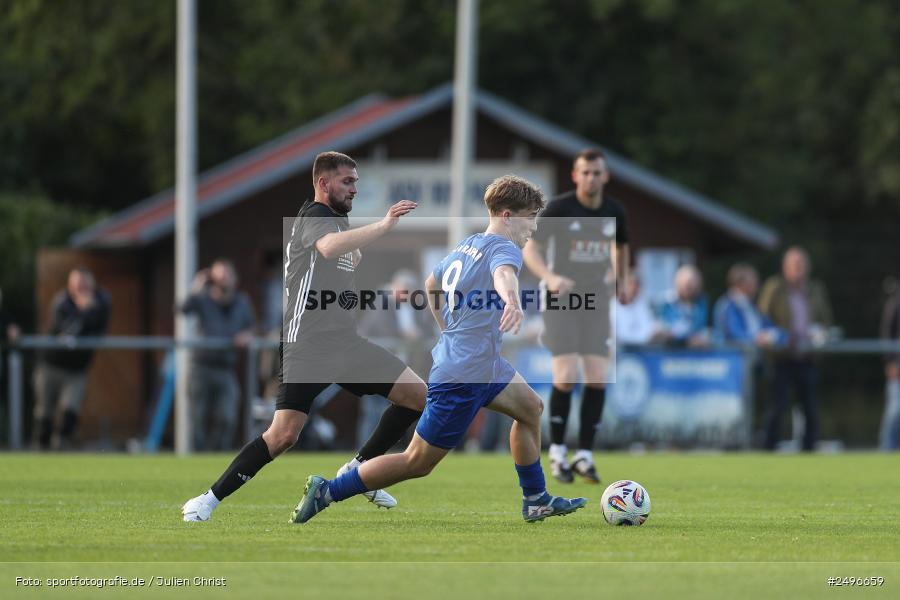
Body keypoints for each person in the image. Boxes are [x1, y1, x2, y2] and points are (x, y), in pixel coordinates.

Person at [292, 175, 587, 524]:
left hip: (484, 364)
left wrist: (444, 324)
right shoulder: (504, 248)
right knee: (417, 462)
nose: (533, 227)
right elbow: (503, 276)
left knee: (531, 409)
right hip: (464, 373)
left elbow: (431, 283)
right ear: (507, 215)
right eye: (530, 217)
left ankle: (536, 500)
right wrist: (512, 302)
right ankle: (329, 490)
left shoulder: (468, 245)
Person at [181, 151, 426, 521]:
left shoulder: (336, 223)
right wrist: (385, 224)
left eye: (356, 182)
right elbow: (328, 248)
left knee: (418, 396)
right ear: (323, 184)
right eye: (348, 181)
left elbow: (344, 255)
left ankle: (358, 469)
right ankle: (207, 500)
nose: (354, 189)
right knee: (283, 435)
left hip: (345, 342)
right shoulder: (315, 215)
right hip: (307, 345)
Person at [522, 148, 630, 485]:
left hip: (596, 300)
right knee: (566, 374)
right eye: (585, 172)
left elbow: (621, 247)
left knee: (597, 376)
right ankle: (557, 452)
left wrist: (620, 280)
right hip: (563, 299)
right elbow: (530, 247)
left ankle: (584, 454)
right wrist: (549, 277)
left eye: (597, 173)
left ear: (605, 176)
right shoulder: (560, 207)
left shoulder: (615, 211)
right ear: (575, 175)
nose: (591, 178)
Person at [758, 246, 833, 451]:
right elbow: (762, 319)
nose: (799, 269)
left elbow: (825, 320)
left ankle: (809, 448)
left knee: (809, 406)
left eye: (802, 264)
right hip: (780, 356)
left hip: (806, 356)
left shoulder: (815, 289)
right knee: (777, 406)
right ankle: (768, 448)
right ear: (786, 267)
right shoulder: (774, 287)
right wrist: (781, 336)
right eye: (795, 264)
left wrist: (818, 332)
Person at [181, 259, 257, 451]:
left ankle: (218, 457)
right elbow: (183, 309)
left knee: (227, 416)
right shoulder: (202, 298)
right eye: (219, 276)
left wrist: (247, 335)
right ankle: (197, 459)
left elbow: (253, 327)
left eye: (226, 275)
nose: (223, 280)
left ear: (234, 278)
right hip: (201, 366)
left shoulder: (241, 301)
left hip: (225, 368)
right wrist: (196, 286)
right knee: (198, 419)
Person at [32, 267, 110, 450]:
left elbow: (99, 330)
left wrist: (87, 312)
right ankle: (41, 451)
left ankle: (62, 448)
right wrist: (85, 311)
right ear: (70, 285)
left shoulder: (102, 301)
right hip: (51, 364)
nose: (81, 288)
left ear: (91, 283)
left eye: (84, 283)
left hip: (77, 368)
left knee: (70, 409)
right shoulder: (62, 301)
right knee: (44, 412)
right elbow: (69, 331)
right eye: (77, 284)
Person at [713, 263, 785, 348]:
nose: (757, 283)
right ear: (741, 283)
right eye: (754, 279)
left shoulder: (752, 306)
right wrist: (757, 339)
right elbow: (734, 336)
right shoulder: (727, 306)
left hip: (756, 355)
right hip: (737, 357)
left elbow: (772, 329)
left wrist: (777, 335)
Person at [658, 264, 710, 348]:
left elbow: (701, 325)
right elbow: (666, 327)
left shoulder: (702, 302)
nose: (689, 289)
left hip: (695, 352)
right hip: (670, 350)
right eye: (686, 285)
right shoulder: (667, 303)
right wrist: (685, 338)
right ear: (678, 283)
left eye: (692, 286)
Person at [879, 276, 900, 450]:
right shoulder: (896, 300)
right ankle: (886, 450)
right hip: (898, 365)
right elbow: (888, 331)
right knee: (895, 410)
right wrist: (891, 361)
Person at [614, 275, 664, 346]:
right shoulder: (613, 307)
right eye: (631, 285)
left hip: (642, 349)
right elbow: (621, 335)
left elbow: (650, 327)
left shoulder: (641, 304)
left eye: (637, 286)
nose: (634, 289)